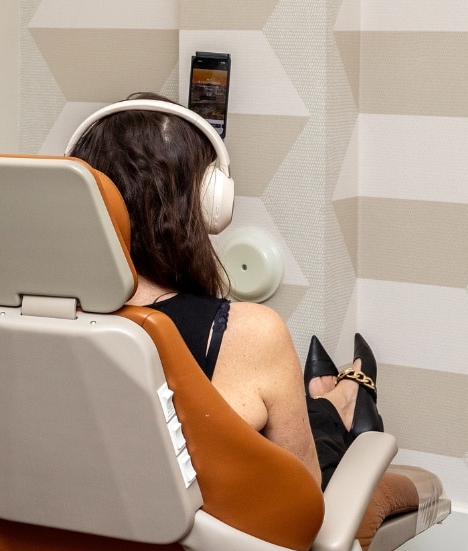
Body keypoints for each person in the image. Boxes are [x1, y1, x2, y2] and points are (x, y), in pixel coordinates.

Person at [69, 93, 382, 489]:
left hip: (63, 522)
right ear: (205, 203)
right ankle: (344, 403)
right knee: (314, 434)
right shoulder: (251, 333)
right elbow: (303, 494)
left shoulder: (16, 320)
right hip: (208, 528)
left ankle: (331, 403)